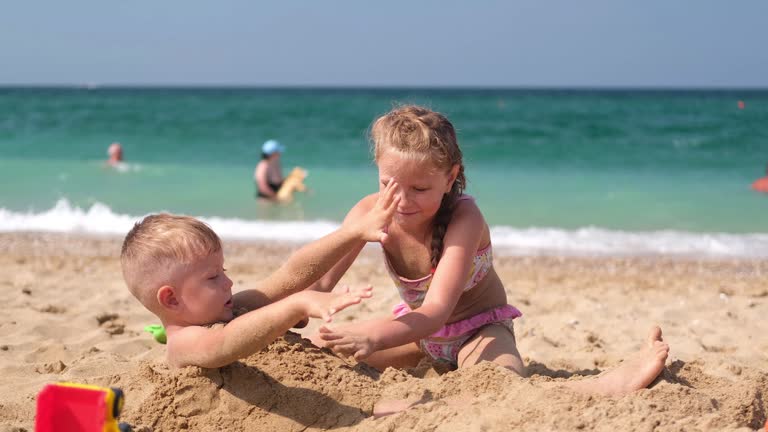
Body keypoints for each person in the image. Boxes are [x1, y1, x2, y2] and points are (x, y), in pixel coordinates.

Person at [303, 106, 669, 413]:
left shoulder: (465, 219)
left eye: (419, 189)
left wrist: (373, 338)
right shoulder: (370, 211)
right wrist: (286, 311)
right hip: (417, 337)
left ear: (451, 178)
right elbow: (318, 283)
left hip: (478, 332)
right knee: (315, 352)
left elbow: (436, 312)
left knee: (504, 389)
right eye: (389, 185)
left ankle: (610, 383)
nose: (402, 200)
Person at [119, 182, 399, 368]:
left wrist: (352, 233)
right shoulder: (184, 343)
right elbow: (225, 343)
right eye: (213, 277)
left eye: (223, 271)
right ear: (171, 299)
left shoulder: (235, 309)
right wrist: (296, 305)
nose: (228, 282)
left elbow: (292, 274)